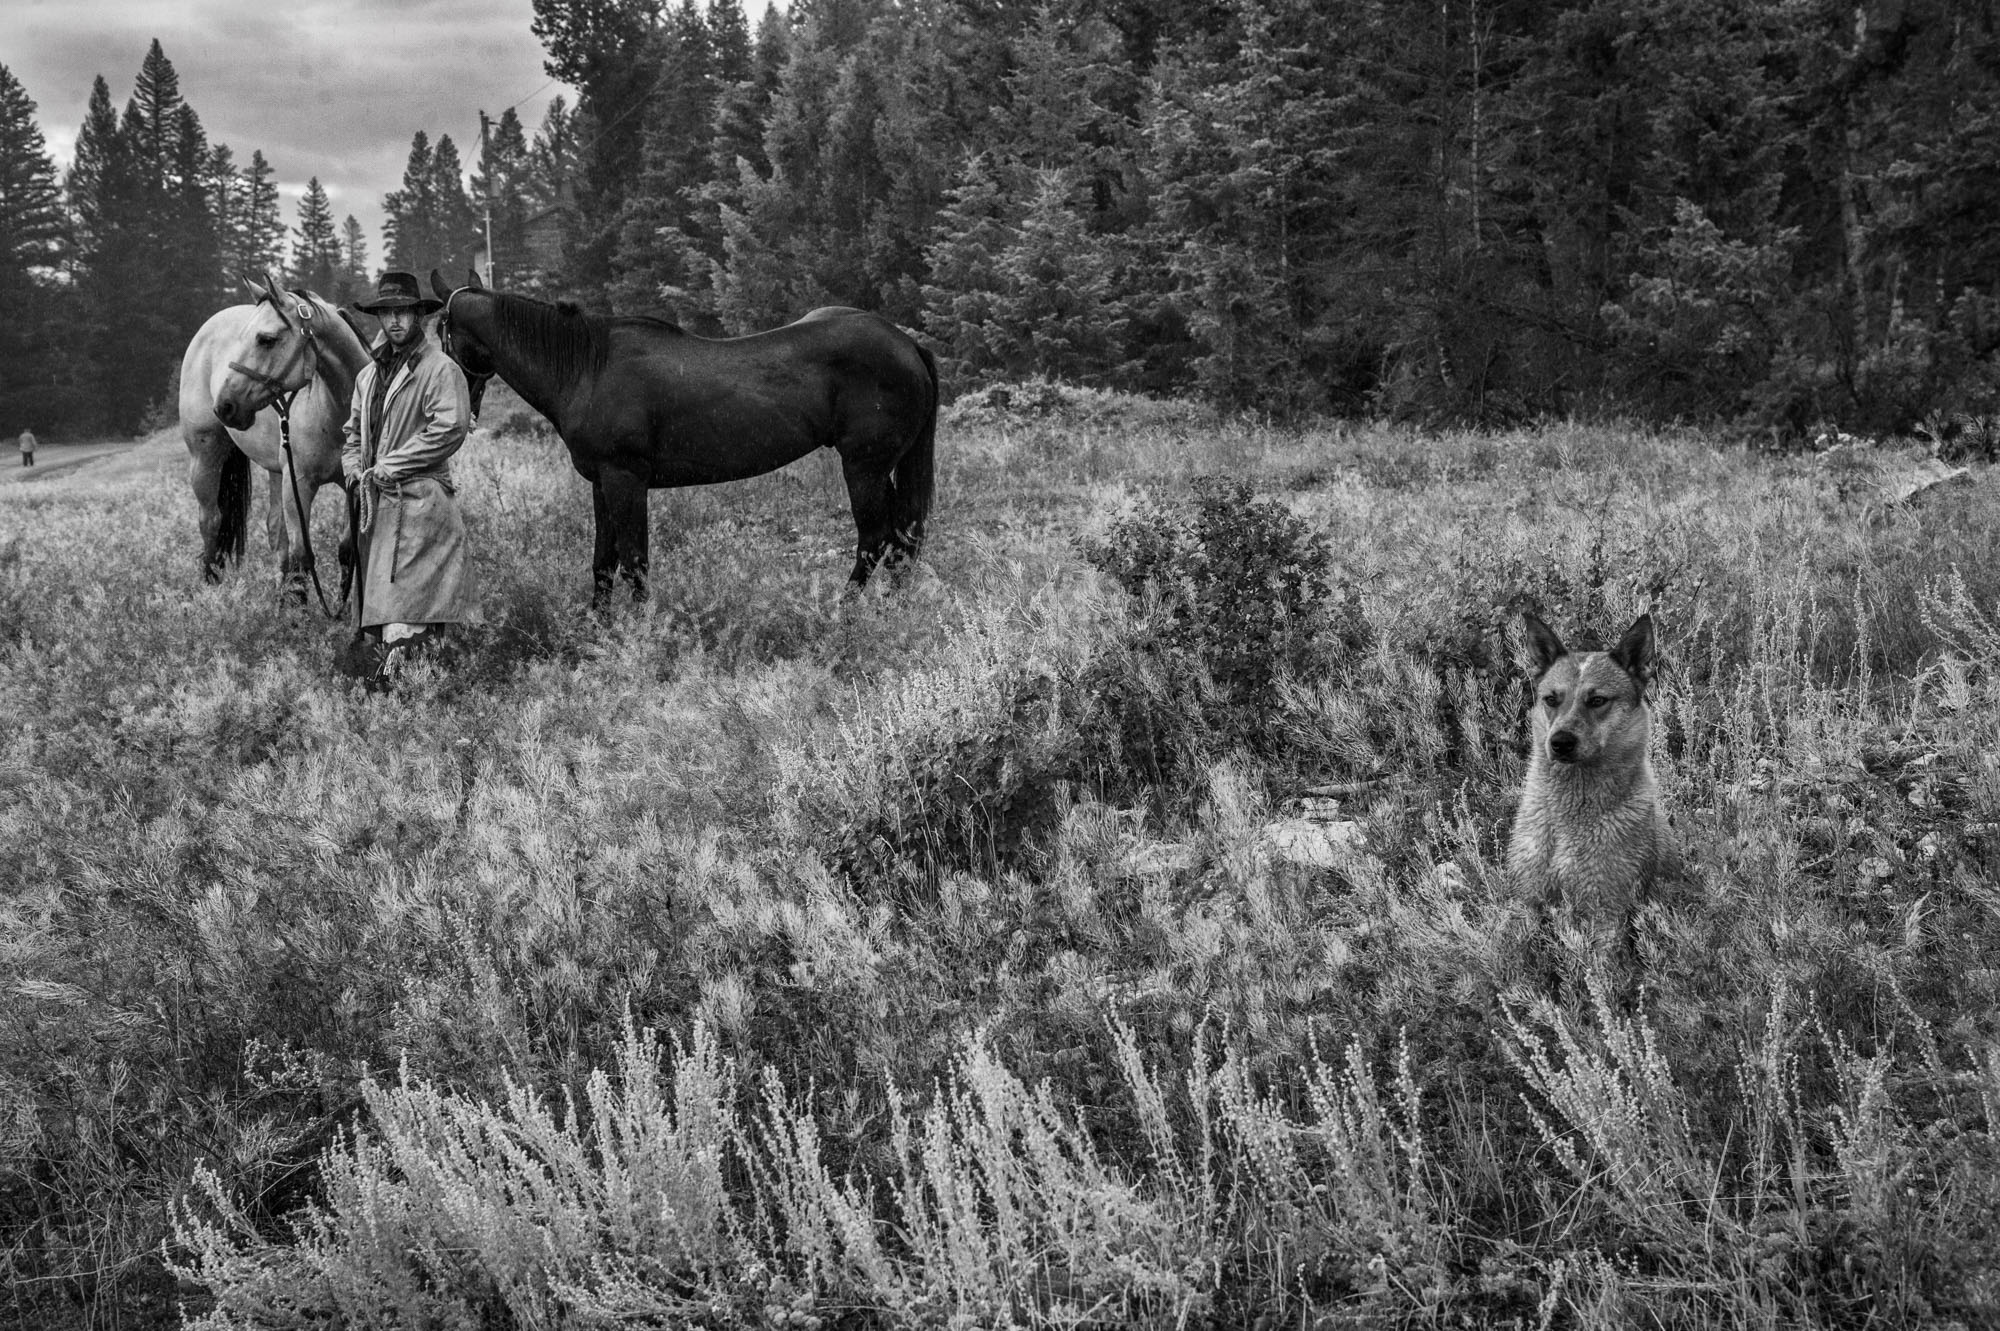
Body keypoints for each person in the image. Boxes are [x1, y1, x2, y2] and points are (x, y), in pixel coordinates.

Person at [342, 270, 478, 679]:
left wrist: (389, 466)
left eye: (403, 312)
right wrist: (353, 471)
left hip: (421, 506)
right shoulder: (367, 377)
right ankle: (400, 701)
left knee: (410, 612)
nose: (395, 321)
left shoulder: (440, 369)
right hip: (378, 508)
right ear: (378, 318)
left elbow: (450, 427)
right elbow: (352, 435)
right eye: (387, 313)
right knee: (385, 615)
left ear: (419, 315)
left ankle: (419, 703)